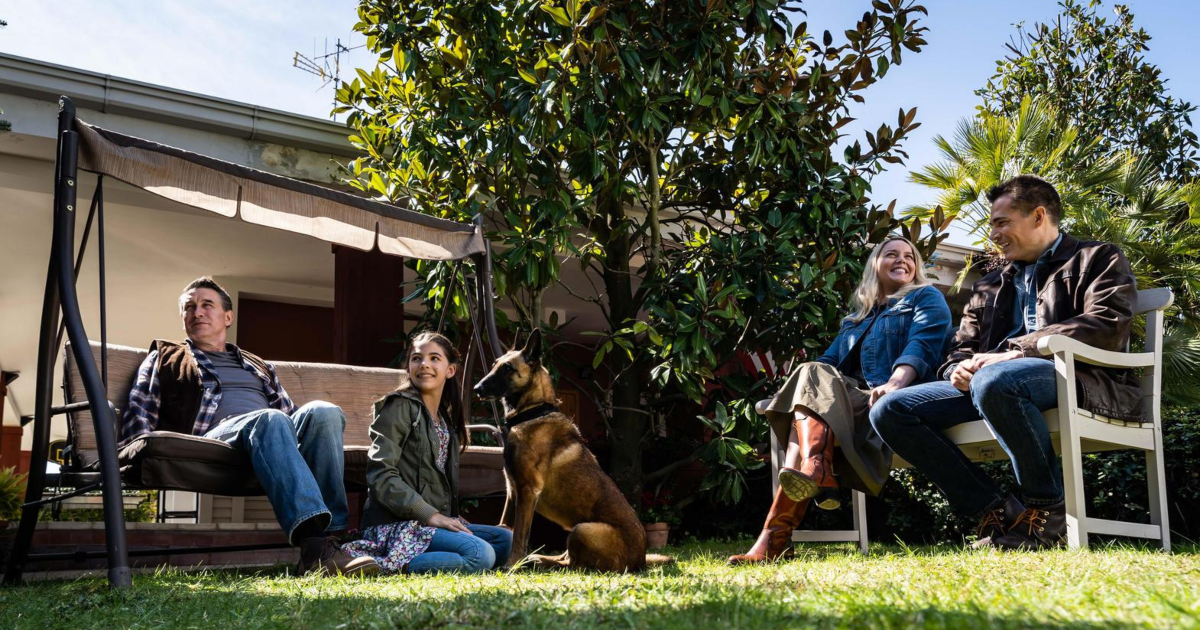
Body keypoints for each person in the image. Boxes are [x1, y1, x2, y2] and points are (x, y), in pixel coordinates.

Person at [870, 175, 1140, 550]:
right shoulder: (989, 283)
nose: (994, 233)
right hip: (992, 384)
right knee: (890, 410)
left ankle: (1047, 510)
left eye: (1002, 222)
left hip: (1082, 377)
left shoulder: (1097, 258)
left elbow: (1108, 323)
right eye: (992, 224)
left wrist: (1022, 349)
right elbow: (960, 348)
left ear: (1038, 216)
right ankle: (996, 510)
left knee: (996, 380)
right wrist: (956, 369)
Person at [123, 277, 376, 576]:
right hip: (217, 441)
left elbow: (288, 413)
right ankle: (314, 547)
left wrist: (302, 434)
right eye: (189, 307)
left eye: (207, 305)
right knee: (269, 418)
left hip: (269, 436)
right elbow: (141, 406)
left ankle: (333, 538)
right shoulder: (167, 356)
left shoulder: (256, 364)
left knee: (324, 411)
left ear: (228, 317)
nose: (197, 312)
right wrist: (135, 452)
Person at [729, 237, 951, 564]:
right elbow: (824, 363)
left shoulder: (925, 297)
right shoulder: (856, 319)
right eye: (892, 254)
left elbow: (922, 346)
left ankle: (776, 533)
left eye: (909, 257)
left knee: (802, 410)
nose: (902, 260)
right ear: (875, 264)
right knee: (811, 374)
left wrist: (894, 383)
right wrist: (794, 392)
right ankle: (815, 471)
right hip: (849, 406)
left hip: (898, 398)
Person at [342, 331, 513, 574]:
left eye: (434, 358)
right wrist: (431, 516)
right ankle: (385, 565)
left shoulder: (444, 420)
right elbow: (381, 476)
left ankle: (434, 557)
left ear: (450, 370)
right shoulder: (399, 407)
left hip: (429, 525)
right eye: (416, 358)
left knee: (504, 540)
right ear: (409, 367)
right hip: (397, 526)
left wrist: (444, 519)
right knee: (480, 554)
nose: (424, 364)